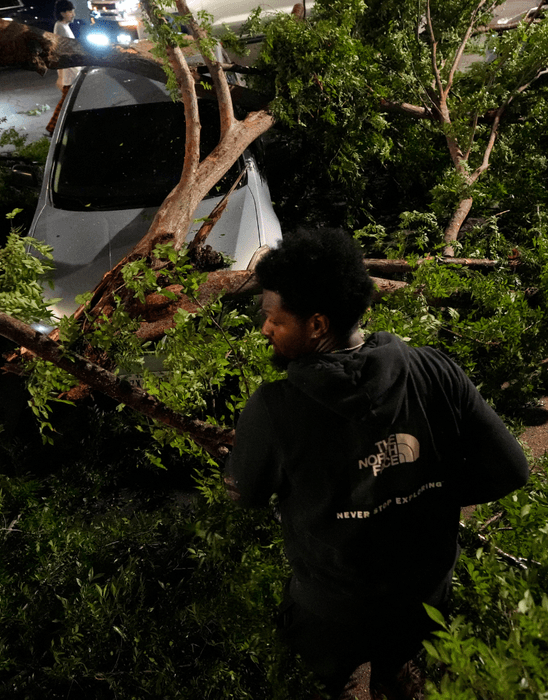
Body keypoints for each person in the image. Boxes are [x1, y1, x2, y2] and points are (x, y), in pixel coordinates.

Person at [225, 228, 530, 699]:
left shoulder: (273, 407)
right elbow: (512, 468)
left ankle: (350, 682)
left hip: (332, 610)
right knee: (404, 658)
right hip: (424, 595)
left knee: (333, 677)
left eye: (274, 320)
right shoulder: (435, 369)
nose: (265, 329)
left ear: (318, 325)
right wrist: (430, 491)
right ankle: (396, 673)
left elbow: (244, 495)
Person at [46, 0, 82, 135]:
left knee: (68, 100)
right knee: (66, 101)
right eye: (70, 11)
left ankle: (55, 128)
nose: (73, 14)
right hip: (69, 71)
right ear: (63, 13)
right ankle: (52, 128)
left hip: (71, 70)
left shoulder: (64, 26)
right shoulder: (60, 27)